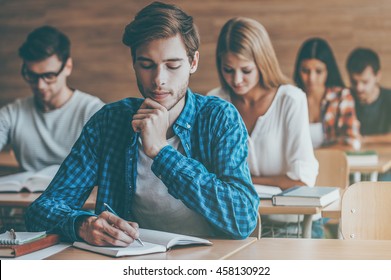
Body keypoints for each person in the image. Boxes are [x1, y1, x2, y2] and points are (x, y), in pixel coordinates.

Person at [26, 2, 259, 246]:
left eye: (172, 65)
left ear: (193, 62)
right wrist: (82, 225)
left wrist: (162, 152)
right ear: (134, 64)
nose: (159, 79)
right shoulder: (109, 122)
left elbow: (242, 219)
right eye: (147, 65)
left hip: (210, 260)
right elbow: (40, 211)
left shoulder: (219, 117)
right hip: (130, 259)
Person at [208, 17, 321, 238]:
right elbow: (209, 177)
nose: (237, 80)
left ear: (262, 63)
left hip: (293, 224)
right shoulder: (215, 101)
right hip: (238, 225)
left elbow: (301, 181)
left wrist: (238, 181)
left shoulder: (291, 99)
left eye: (246, 70)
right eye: (228, 70)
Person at [0, 26, 104, 172]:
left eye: (49, 76)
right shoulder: (13, 114)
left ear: (68, 66)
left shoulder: (93, 112)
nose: (40, 85)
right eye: (32, 75)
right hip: (25, 194)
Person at [293, 37, 361, 149]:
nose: (311, 78)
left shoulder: (341, 96)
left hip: (332, 164)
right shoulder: (291, 98)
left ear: (328, 71)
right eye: (305, 71)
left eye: (318, 71)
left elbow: (351, 141)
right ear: (298, 70)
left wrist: (314, 155)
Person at [346, 47, 391, 144]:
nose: (359, 88)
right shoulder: (345, 98)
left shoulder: (389, 98)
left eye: (365, 82)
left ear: (377, 76)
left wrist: (365, 140)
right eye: (354, 82)